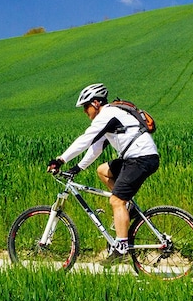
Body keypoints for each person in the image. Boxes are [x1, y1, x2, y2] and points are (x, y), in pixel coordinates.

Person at [46, 83, 160, 259]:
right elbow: (96, 147)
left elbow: (86, 139)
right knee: (103, 170)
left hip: (140, 158)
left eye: (86, 107)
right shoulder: (110, 117)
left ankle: (121, 246)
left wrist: (60, 159)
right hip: (139, 157)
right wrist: (77, 168)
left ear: (96, 103)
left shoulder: (107, 114)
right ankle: (127, 206)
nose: (85, 112)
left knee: (116, 201)